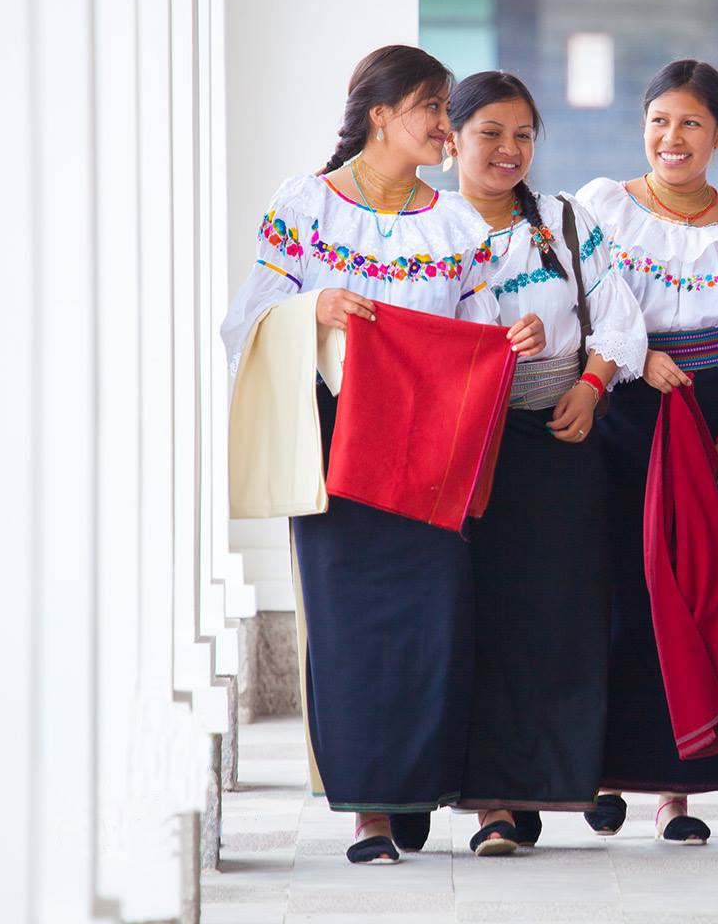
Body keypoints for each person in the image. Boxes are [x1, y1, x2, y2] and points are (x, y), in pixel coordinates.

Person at [219, 45, 544, 865]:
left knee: (435, 621)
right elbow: (244, 323)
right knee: (349, 625)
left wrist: (516, 340)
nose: (446, 125)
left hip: (434, 442)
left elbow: (477, 333)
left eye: (444, 109)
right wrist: (313, 307)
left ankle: (415, 790)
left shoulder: (458, 225)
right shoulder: (306, 206)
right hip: (339, 442)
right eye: (433, 108)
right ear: (380, 115)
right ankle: (367, 811)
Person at [576, 59, 718, 844]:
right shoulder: (601, 208)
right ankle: (602, 768)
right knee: (621, 595)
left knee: (704, 597)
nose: (673, 137)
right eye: (661, 120)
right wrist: (636, 361)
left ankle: (679, 791)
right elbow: (586, 307)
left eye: (692, 123)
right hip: (624, 417)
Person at [445, 71, 647, 856]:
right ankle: (492, 801)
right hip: (474, 448)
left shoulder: (564, 218)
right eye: (489, 133)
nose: (508, 150)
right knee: (485, 619)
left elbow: (619, 316)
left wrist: (594, 386)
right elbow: (416, 329)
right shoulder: (428, 228)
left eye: (522, 134)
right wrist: (491, 349)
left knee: (562, 618)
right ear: (451, 139)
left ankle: (555, 779)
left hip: (562, 443)